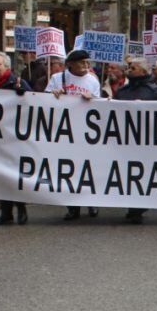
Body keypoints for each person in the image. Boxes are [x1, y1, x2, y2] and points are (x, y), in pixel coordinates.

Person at [47, 49, 104, 221]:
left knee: (88, 168)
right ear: (70, 64)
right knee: (68, 170)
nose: (87, 66)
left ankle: (92, 202)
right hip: (65, 132)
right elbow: (42, 101)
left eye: (88, 62)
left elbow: (100, 107)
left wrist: (92, 99)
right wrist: (53, 95)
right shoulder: (57, 79)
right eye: (82, 62)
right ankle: (73, 207)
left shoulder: (92, 81)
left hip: (86, 133)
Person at [0, 51, 33, 226]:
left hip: (16, 138)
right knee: (0, 176)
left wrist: (23, 93)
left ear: (7, 67)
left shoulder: (18, 83)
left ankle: (21, 208)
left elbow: (35, 105)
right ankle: (5, 213)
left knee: (16, 175)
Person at [115, 56, 157, 224]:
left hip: (147, 142)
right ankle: (133, 205)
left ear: (143, 71)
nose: (129, 70)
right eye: (129, 67)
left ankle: (138, 206)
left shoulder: (156, 92)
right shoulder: (122, 92)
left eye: (133, 68)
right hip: (126, 141)